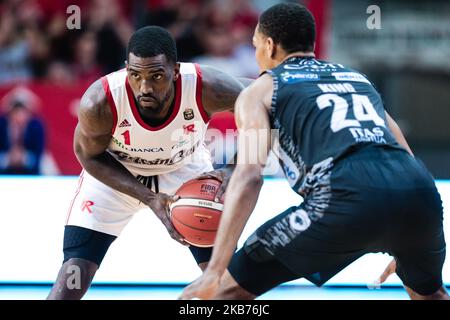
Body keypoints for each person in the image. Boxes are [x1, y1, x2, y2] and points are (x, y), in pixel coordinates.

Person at [180, 3, 448, 300]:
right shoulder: (356, 79)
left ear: (268, 46)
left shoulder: (259, 90)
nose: (255, 56)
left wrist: (216, 269)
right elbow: (404, 152)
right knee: (431, 295)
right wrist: (405, 237)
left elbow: (249, 176)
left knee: (223, 294)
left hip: (347, 195)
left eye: (255, 45)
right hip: (419, 194)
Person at [47, 26, 250, 300]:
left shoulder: (208, 87)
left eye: (156, 76)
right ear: (126, 69)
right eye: (136, 75)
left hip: (185, 169)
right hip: (115, 172)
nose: (145, 87)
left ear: (175, 71)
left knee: (226, 279)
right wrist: (151, 198)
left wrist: (235, 167)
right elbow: (88, 154)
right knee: (73, 275)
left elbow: (266, 104)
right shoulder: (100, 101)